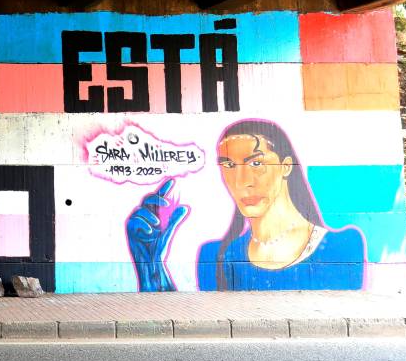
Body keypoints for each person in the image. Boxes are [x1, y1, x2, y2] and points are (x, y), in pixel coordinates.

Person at [126, 119, 366, 291]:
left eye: (256, 163)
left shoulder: (344, 245)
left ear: (285, 166)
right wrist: (152, 271)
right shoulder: (215, 256)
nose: (242, 182)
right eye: (229, 166)